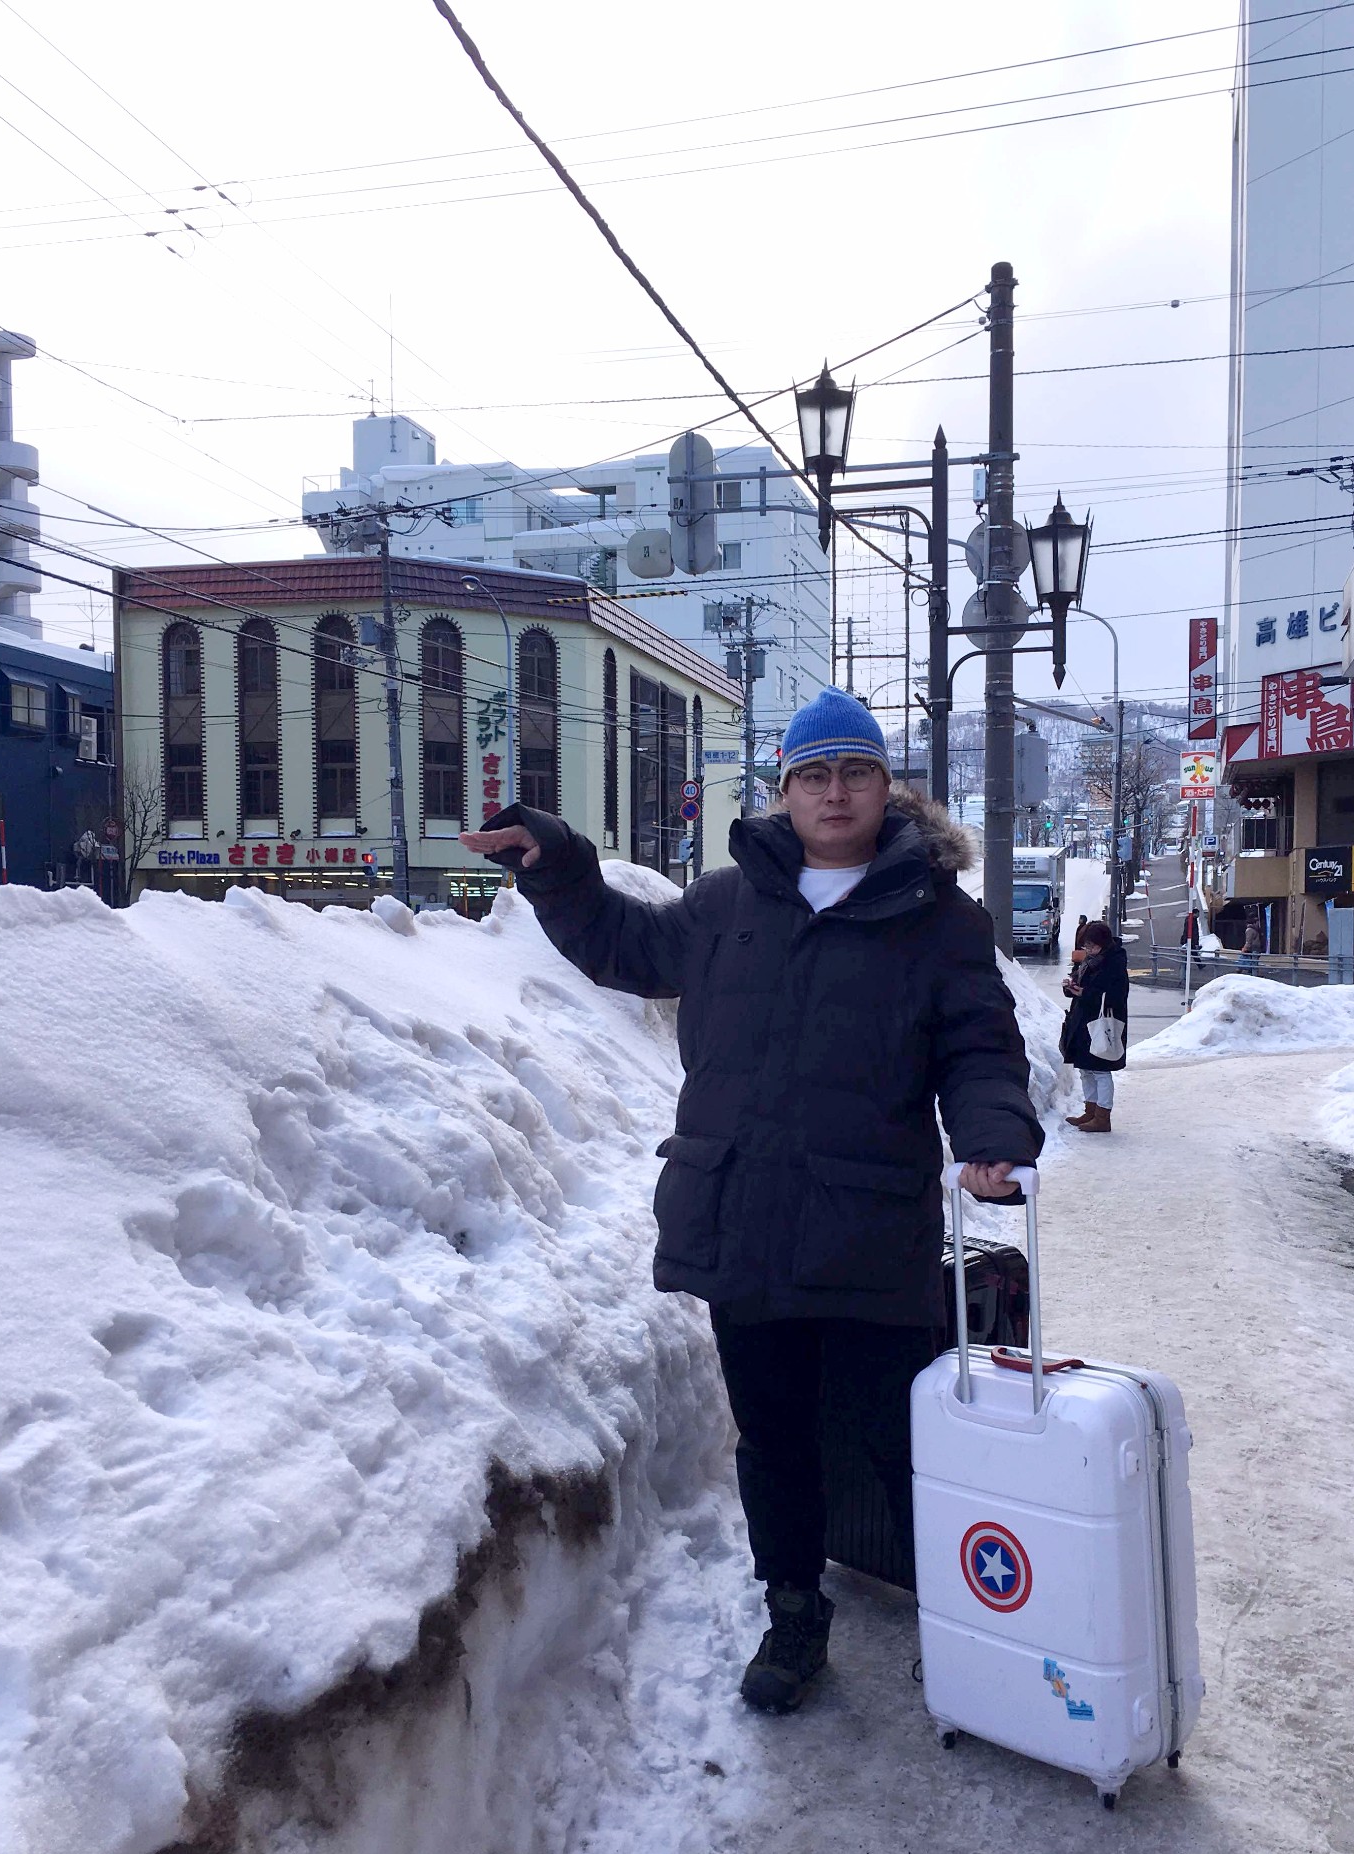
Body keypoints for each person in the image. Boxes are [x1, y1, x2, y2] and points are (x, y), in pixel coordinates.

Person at [459, 689, 1043, 1715]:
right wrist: (561, 869)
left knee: (890, 1432)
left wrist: (992, 1136)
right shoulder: (729, 902)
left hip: (869, 1228)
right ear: (784, 791)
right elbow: (625, 947)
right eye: (813, 774)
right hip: (749, 1218)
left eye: (854, 771)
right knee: (772, 1433)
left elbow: (979, 1045)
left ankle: (961, 1612)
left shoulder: (938, 917)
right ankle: (794, 1606)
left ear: (884, 786)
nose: (834, 791)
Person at [1059, 917, 1128, 1133]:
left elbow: (1118, 997)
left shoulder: (1114, 963)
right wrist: (1070, 986)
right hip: (1082, 1020)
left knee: (1100, 1070)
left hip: (1102, 1023)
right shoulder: (1089, 961)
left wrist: (1086, 994)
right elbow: (1080, 982)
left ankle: (1102, 1117)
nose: (1087, 949)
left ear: (1103, 943)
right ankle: (1090, 1111)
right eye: (1085, 945)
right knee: (1086, 1069)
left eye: (1091, 945)